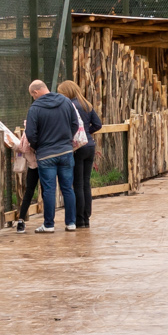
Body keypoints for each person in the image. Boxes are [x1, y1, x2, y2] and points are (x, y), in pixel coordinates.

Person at [22, 77, 84, 232]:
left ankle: (49, 225)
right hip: (65, 151)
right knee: (67, 188)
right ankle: (71, 223)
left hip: (45, 154)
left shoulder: (35, 108)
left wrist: (38, 146)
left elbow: (30, 133)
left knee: (49, 189)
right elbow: (75, 123)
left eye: (33, 95)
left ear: (36, 92)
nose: (33, 97)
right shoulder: (65, 101)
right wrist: (66, 139)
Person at [59, 77, 103, 231]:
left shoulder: (70, 106)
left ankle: (79, 218)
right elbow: (98, 124)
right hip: (89, 146)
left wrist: (78, 136)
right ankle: (86, 217)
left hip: (77, 148)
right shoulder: (87, 105)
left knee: (77, 183)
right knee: (85, 182)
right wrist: (86, 134)